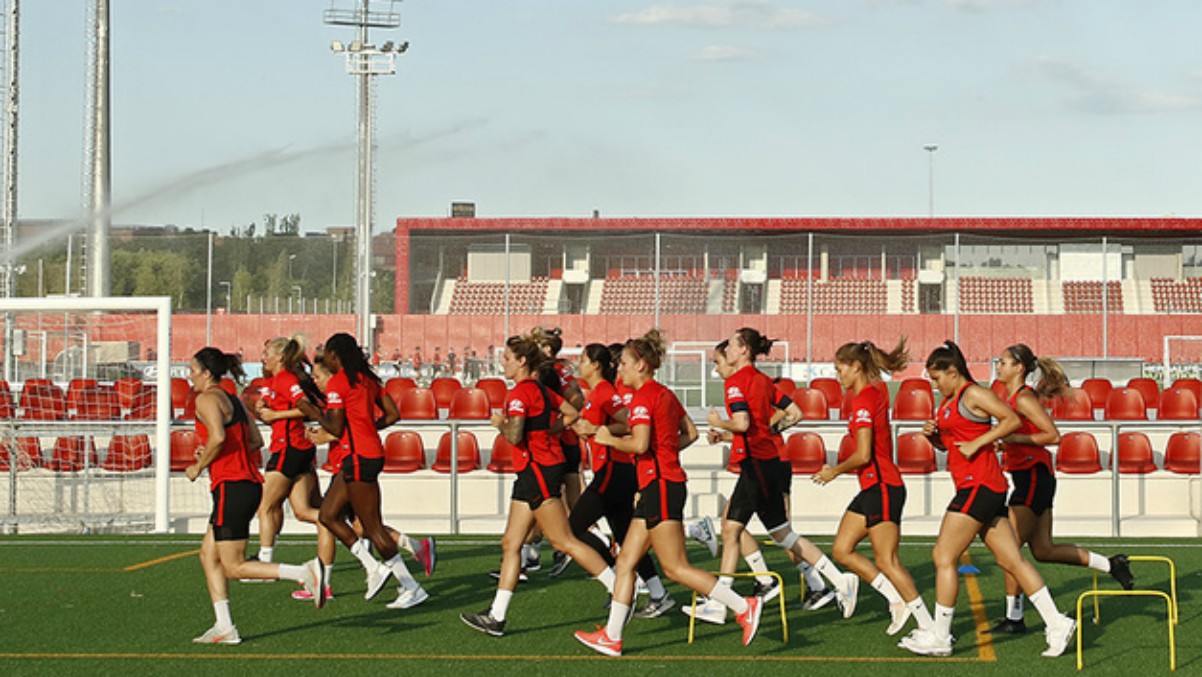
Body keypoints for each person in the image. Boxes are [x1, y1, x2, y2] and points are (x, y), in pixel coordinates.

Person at [574, 330, 763, 657]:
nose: (620, 371)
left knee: (675, 568)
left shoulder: (645, 399)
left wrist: (607, 440)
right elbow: (689, 433)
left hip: (661, 486)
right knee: (625, 562)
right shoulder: (664, 394)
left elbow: (639, 444)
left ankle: (742, 605)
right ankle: (612, 636)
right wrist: (663, 455)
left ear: (642, 366)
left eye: (624, 366)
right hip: (658, 484)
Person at [900, 341, 1076, 658]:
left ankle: (940, 636)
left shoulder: (974, 393)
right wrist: (935, 438)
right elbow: (952, 445)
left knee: (943, 555)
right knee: (1011, 560)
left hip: (979, 485)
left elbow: (1009, 420)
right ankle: (1057, 622)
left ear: (952, 371)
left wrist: (979, 441)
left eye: (937, 378)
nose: (935, 385)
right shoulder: (949, 401)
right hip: (980, 486)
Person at [461, 334, 618, 637]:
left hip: (537, 472)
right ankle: (496, 615)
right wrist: (548, 431)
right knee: (511, 543)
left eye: (507, 359)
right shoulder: (541, 390)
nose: (502, 364)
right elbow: (572, 413)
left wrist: (499, 425)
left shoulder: (519, 393)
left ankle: (620, 589)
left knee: (564, 541)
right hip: (534, 470)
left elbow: (515, 436)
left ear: (522, 362)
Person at [702, 328, 856, 622]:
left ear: (744, 349)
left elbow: (742, 423)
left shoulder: (736, 381)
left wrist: (718, 422)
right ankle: (838, 580)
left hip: (756, 464)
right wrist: (766, 433)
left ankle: (723, 601)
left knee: (732, 530)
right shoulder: (762, 380)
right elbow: (795, 413)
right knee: (781, 533)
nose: (729, 351)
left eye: (733, 345)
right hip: (769, 462)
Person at [989, 343, 1134, 633]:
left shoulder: (1023, 399)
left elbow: (1053, 436)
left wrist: (1013, 442)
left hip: (1032, 476)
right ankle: (1111, 564)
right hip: (1036, 476)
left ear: (1019, 368)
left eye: (1004, 362)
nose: (998, 366)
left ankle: (1015, 618)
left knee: (1010, 550)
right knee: (1043, 550)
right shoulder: (1014, 397)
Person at [185, 347, 321, 644]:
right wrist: (213, 452)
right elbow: (255, 439)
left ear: (207, 373)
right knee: (208, 555)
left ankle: (303, 571)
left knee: (233, 566)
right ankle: (224, 626)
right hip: (245, 483)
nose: (190, 376)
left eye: (193, 370)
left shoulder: (206, 399)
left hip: (231, 486)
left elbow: (219, 438)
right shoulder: (231, 398)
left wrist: (200, 464)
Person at [297, 333, 429, 610]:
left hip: (357, 457)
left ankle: (409, 585)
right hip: (366, 454)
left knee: (372, 527)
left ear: (335, 355)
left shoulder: (338, 383)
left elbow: (334, 428)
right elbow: (393, 414)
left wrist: (310, 409)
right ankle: (374, 568)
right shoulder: (368, 380)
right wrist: (369, 429)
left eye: (328, 355)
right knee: (328, 515)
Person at [811, 339, 934, 636]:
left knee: (887, 561)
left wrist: (834, 472)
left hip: (882, 487)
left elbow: (864, 454)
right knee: (842, 550)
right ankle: (895, 600)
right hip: (872, 487)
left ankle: (930, 626)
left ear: (855, 367)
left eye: (840, 369)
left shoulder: (866, 399)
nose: (837, 376)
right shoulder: (868, 395)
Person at [570, 343, 676, 617]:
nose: (578, 365)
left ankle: (616, 585)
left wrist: (595, 429)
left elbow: (628, 423)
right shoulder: (596, 394)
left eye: (582, 360)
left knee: (573, 528)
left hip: (614, 470)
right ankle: (658, 593)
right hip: (611, 470)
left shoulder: (605, 391)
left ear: (595, 365)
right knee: (626, 537)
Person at [251, 336, 322, 567]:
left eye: (266, 354)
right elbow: (272, 407)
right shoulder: (272, 382)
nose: (263, 358)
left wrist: (275, 415)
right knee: (303, 511)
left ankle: (264, 561)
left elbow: (307, 409)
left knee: (266, 506)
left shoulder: (285, 379)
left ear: (279, 357)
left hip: (289, 448)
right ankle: (357, 539)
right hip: (292, 448)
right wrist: (263, 408)